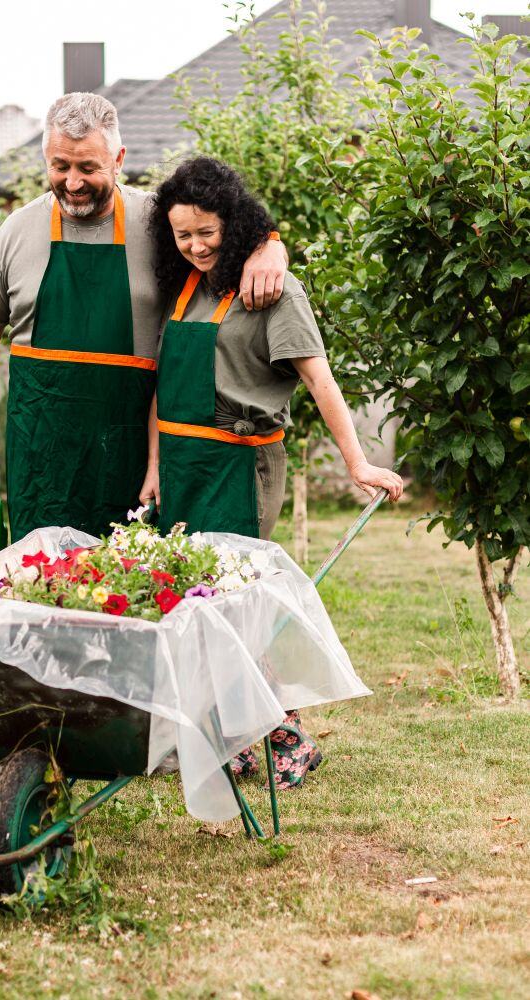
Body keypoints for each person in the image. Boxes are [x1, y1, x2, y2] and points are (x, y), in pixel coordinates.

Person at [141, 156, 404, 785]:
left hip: (238, 461)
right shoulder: (184, 287)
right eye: (184, 234)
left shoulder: (273, 290)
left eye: (208, 231)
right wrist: (153, 466)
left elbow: (319, 379)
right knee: (190, 605)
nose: (197, 245)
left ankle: (285, 738)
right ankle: (226, 736)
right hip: (180, 464)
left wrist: (360, 462)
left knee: (235, 608)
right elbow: (161, 392)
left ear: (235, 225)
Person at [0, 93, 290, 543]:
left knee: (136, 584)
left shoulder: (159, 223)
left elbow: (223, 238)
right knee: (38, 581)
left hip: (137, 449)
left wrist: (270, 246)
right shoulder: (15, 232)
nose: (72, 182)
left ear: (119, 159)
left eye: (88, 167)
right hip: (43, 453)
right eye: (59, 166)